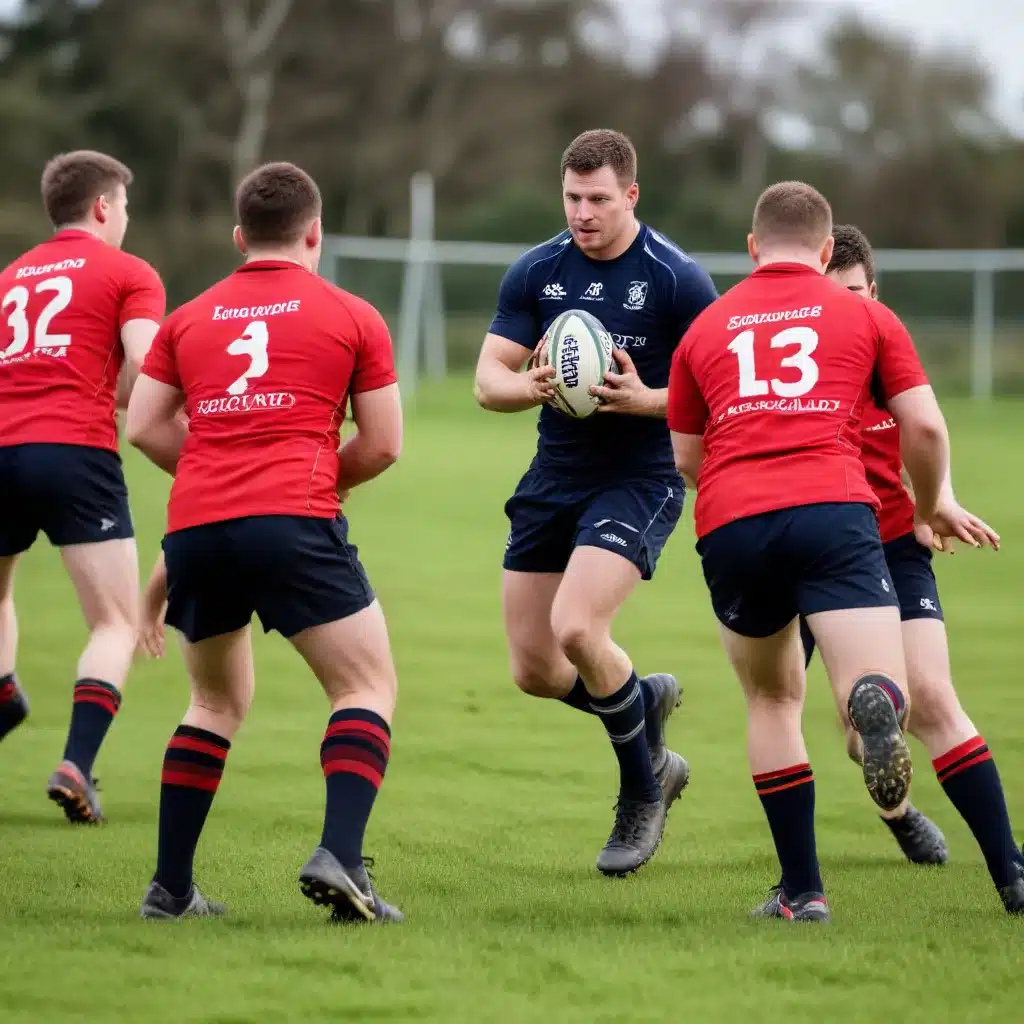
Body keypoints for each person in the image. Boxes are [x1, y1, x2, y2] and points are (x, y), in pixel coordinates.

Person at [667, 181, 1009, 921]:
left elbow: (687, 458)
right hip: (834, 509)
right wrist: (930, 506)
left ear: (753, 248)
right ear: (825, 250)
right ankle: (886, 714)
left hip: (733, 519)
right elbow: (925, 429)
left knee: (772, 697)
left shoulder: (705, 326)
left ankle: (803, 893)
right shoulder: (865, 317)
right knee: (888, 689)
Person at [126, 161, 404, 924]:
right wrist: (311, 479)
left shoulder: (187, 317)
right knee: (365, 688)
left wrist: (224, 472)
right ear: (315, 232)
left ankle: (170, 891)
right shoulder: (351, 314)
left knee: (212, 702)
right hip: (293, 520)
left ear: (240, 236)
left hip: (198, 528)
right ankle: (341, 858)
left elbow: (144, 424)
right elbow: (382, 445)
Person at [474, 129, 718, 876]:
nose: (583, 212)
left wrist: (645, 398)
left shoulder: (676, 278)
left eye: (599, 199)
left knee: (578, 627)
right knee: (535, 670)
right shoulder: (539, 271)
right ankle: (643, 701)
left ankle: (643, 793)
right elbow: (489, 380)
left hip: (639, 480)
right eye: (573, 197)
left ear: (631, 196)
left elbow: (713, 395)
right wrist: (534, 387)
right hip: (553, 477)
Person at [794, 224, 1024, 900]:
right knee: (856, 725)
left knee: (931, 699)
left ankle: (1010, 868)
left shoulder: (887, 344)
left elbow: (925, 438)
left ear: (877, 292)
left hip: (896, 543)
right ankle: (896, 815)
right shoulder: (800, 368)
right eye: (833, 297)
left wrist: (937, 502)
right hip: (816, 550)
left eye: (859, 295)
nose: (849, 311)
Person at [0, 150, 165, 823]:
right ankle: (76, 762)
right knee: (116, 620)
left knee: (3, 589)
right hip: (73, 449)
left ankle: (4, 693)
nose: (125, 218)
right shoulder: (129, 273)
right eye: (123, 205)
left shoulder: (10, 276)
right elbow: (147, 370)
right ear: (103, 206)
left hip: (2, 444)